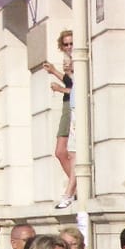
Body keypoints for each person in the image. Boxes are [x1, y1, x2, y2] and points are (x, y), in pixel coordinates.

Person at [44, 30, 76, 209]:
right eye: (66, 44)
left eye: (72, 43)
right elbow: (72, 83)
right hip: (68, 105)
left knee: (70, 152)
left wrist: (59, 89)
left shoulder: (78, 60)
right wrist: (55, 71)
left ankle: (73, 189)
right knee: (60, 151)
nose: (69, 47)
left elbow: (80, 88)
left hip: (72, 106)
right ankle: (76, 185)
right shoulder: (69, 62)